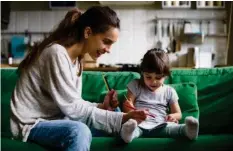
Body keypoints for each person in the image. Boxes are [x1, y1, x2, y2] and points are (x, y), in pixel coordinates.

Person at [10, 6, 149, 151]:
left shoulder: (76, 61)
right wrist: (122, 118)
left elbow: (73, 104)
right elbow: (73, 108)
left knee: (115, 115)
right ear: (88, 32)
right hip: (32, 124)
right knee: (79, 131)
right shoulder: (56, 53)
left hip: (59, 120)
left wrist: (102, 107)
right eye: (106, 41)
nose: (108, 50)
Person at [120, 48, 199, 143]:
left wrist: (172, 116)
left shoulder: (169, 91)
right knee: (133, 127)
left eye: (158, 77)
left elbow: (179, 114)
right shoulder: (135, 85)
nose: (153, 81)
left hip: (162, 125)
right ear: (142, 73)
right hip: (139, 124)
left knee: (174, 129)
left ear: (165, 75)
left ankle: (188, 131)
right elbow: (127, 108)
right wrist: (132, 111)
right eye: (148, 77)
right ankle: (128, 134)